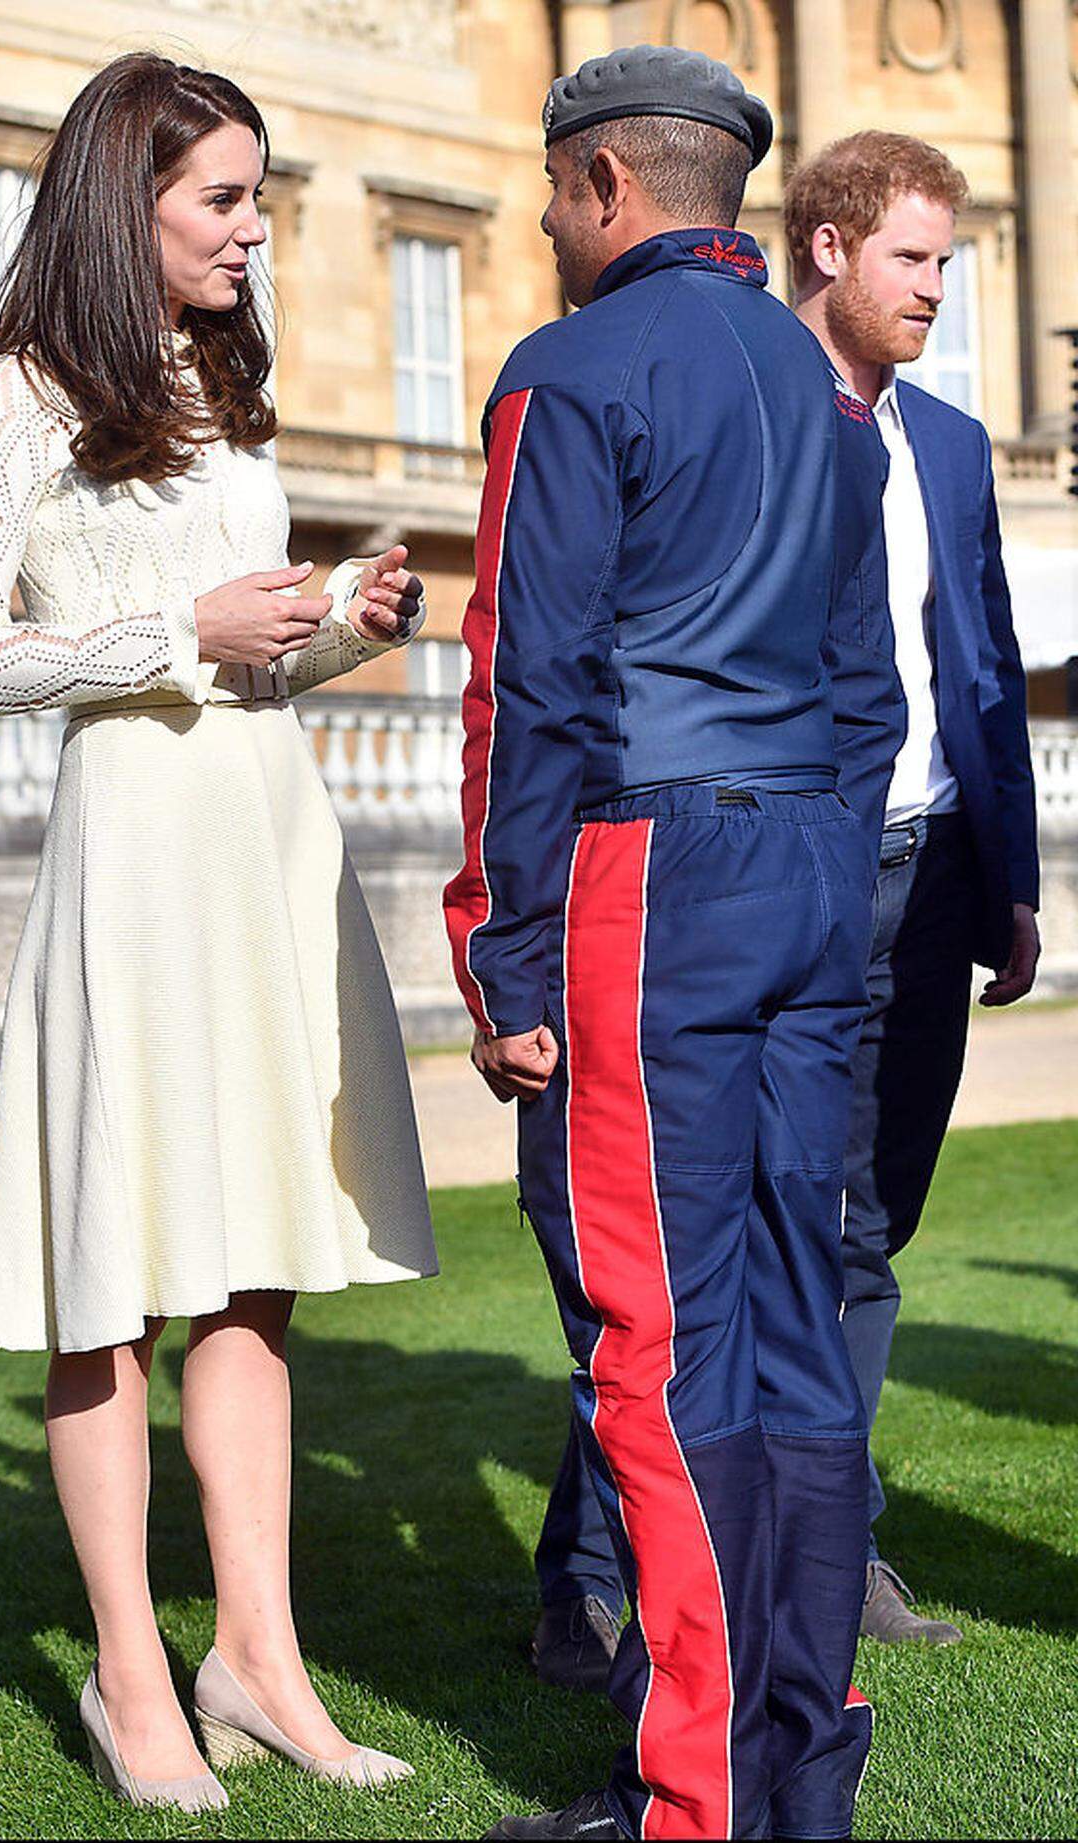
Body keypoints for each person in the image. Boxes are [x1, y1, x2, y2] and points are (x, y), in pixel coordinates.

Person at [0, 52, 437, 1813]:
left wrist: (343, 629)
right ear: (120, 200)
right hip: (134, 860)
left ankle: (261, 1664)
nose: (250, 226)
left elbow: (250, 656)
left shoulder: (225, 383)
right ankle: (134, 1687)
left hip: (267, 840)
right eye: (221, 196)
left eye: (256, 194)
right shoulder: (14, 396)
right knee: (110, 1286)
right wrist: (173, 625)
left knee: (254, 1276)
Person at [445, 45, 891, 1843]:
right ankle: (797, 1776)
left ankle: (701, 1799)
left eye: (555, 191)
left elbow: (521, 689)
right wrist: (824, 866)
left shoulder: (570, 366)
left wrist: (504, 953)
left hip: (655, 880)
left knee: (661, 1342)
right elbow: (871, 690)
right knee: (792, 1334)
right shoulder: (815, 372)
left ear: (609, 185)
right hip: (804, 872)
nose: (548, 223)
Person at [787, 130, 1040, 1641]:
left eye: (945, 261)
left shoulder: (948, 443)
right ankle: (610, 1569)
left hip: (937, 878)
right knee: (743, 1225)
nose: (939, 288)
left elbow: (985, 669)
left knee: (873, 1230)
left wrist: (1009, 883)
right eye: (914, 259)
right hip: (799, 879)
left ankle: (842, 1549)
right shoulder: (757, 415)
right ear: (828, 247)